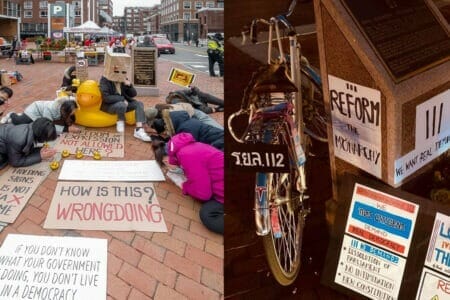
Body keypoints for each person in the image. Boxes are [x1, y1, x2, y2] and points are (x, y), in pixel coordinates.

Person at [152, 132, 224, 234]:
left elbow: (203, 194)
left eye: (166, 167)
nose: (169, 169)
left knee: (207, 215)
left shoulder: (186, 155)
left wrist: (184, 185)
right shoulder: (187, 148)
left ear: (166, 161)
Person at [99, 52, 151, 141]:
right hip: (110, 106)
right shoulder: (105, 80)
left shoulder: (123, 78)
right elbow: (106, 98)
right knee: (121, 104)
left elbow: (133, 94)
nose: (120, 73)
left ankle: (139, 129)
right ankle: (120, 120)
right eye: (117, 71)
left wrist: (129, 85)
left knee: (139, 103)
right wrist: (122, 99)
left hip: (124, 105)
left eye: (123, 71)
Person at [149, 109, 224, 151]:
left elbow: (188, 148)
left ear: (166, 127)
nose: (166, 135)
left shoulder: (185, 128)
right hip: (217, 139)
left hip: (219, 142)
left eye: (164, 133)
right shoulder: (181, 123)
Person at [2, 96, 80, 134]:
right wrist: (66, 129)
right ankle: (12, 114)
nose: (72, 114)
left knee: (33, 126)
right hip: (34, 110)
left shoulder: (66, 109)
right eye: (71, 113)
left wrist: (69, 124)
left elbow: (67, 120)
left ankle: (21, 115)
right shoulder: (49, 109)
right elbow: (47, 125)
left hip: (43, 114)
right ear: (65, 110)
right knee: (20, 122)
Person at [145, 102, 223, 130]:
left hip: (195, 114)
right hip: (188, 110)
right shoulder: (158, 107)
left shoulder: (172, 114)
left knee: (218, 130)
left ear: (156, 116)